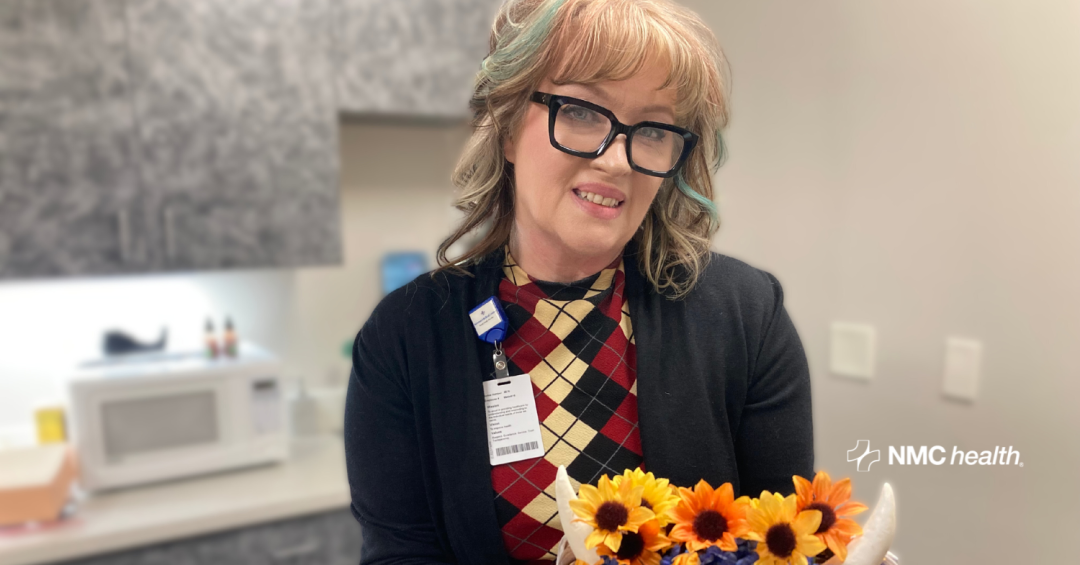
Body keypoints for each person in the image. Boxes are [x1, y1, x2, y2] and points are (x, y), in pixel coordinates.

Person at [344, 0, 814, 563]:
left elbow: (782, 541)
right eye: (582, 111)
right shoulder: (405, 336)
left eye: (654, 128)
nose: (618, 160)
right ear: (508, 128)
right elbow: (403, 552)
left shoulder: (746, 316)